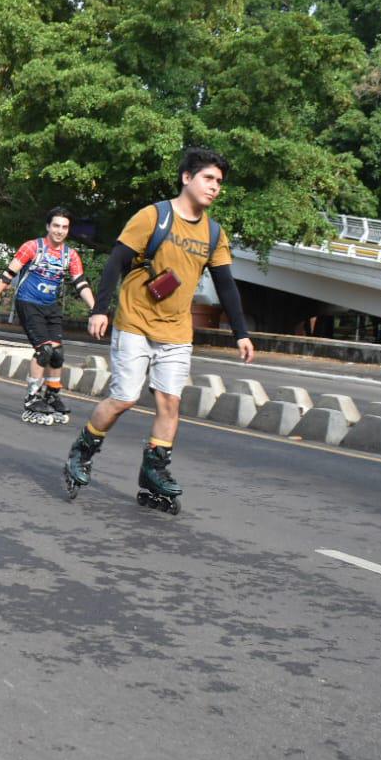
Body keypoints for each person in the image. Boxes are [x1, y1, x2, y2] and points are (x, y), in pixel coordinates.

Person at [64, 147, 255, 511]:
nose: (215, 187)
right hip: (135, 321)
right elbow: (116, 262)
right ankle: (83, 449)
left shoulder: (215, 234)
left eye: (219, 182)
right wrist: (100, 309)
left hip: (177, 331)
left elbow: (226, 284)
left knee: (170, 403)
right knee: (125, 398)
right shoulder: (154, 216)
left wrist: (241, 333)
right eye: (208, 179)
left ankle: (154, 470)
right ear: (187, 178)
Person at [0, 206, 94, 425]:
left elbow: (80, 283)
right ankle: (32, 398)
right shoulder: (32, 247)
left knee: (58, 354)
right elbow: (8, 274)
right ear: (48, 227)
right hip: (28, 303)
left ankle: (52, 394)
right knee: (44, 350)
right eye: (56, 226)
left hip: (50, 306)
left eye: (64, 227)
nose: (60, 231)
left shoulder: (71, 255)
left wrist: (95, 310)